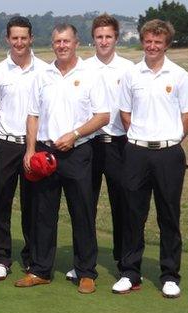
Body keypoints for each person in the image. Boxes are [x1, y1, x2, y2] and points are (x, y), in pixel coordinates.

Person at [14, 23, 109, 294]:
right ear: (52, 43)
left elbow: (103, 116)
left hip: (78, 152)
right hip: (46, 153)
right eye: (57, 42)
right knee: (43, 214)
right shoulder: (43, 75)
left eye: (66, 41)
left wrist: (75, 134)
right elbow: (33, 114)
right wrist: (30, 150)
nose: (62, 45)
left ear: (76, 42)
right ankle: (41, 270)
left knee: (82, 213)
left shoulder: (90, 75)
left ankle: (86, 272)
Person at [116, 19, 188, 298]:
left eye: (157, 42)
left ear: (166, 44)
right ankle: (129, 272)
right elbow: (125, 114)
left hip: (168, 153)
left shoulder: (179, 76)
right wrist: (142, 137)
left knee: (169, 216)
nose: (151, 46)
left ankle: (170, 275)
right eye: (148, 41)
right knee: (133, 214)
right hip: (136, 151)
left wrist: (171, 138)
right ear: (143, 41)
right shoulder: (132, 74)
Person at [62, 14, 134, 281]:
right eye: (99, 36)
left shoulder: (129, 68)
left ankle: (126, 265)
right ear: (92, 39)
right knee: (84, 207)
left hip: (119, 144)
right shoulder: (83, 68)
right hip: (88, 145)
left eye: (108, 36)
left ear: (116, 38)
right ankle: (83, 264)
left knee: (122, 206)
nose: (103, 41)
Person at [0, 16, 48, 280]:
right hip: (6, 144)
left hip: (36, 145)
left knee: (34, 205)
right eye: (15, 38)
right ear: (8, 39)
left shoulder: (46, 70)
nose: (19, 42)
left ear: (31, 38)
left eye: (24, 37)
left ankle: (33, 257)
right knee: (1, 202)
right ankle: (0, 257)